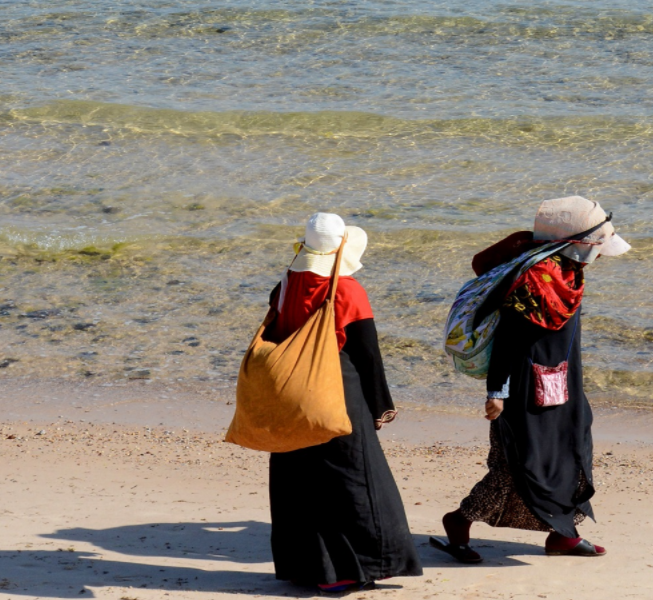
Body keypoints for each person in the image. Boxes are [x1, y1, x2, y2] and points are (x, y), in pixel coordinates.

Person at [432, 196, 631, 562]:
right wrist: (497, 392)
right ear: (579, 243)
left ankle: (563, 535)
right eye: (599, 246)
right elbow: (510, 339)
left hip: (561, 380)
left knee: (572, 451)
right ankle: (459, 521)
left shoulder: (567, 269)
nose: (602, 255)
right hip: (525, 387)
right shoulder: (537, 279)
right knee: (519, 465)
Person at [262, 213, 422, 592]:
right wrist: (380, 406)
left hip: (292, 393)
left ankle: (305, 569)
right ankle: (348, 572)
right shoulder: (348, 290)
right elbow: (367, 354)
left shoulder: (285, 284)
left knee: (297, 480)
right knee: (353, 479)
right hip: (337, 391)